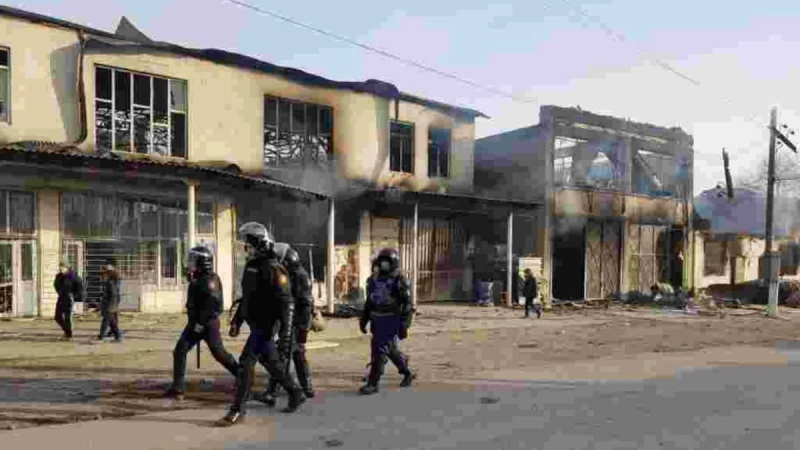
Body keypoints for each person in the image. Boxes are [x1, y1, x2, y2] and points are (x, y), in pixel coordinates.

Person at [219, 222, 306, 426]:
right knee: (272, 364)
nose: (246, 249)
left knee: (246, 363)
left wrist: (285, 335)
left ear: (260, 245)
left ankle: (237, 409)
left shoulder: (275, 269)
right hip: (255, 323)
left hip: (266, 326)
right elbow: (247, 298)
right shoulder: (252, 266)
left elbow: (287, 304)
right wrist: (237, 321)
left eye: (249, 245)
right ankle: (295, 392)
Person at [164, 246, 239, 400]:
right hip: (195, 323)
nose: (190, 263)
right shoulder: (199, 278)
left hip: (206, 325)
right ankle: (178, 388)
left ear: (202, 262)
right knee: (180, 350)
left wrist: (200, 324)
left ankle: (242, 375)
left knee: (219, 354)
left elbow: (215, 307)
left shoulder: (210, 280)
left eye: (193, 260)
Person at [256, 244, 316, 406]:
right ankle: (307, 387)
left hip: (296, 322)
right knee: (296, 353)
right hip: (290, 321)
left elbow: (306, 304)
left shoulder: (300, 277)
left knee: (282, 356)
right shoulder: (291, 274)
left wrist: (303, 328)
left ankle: (272, 392)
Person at [358, 248, 416, 395]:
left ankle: (373, 383)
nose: (384, 265)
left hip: (391, 319)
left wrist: (404, 324)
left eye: (387, 262)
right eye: (382, 261)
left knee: (379, 350)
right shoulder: (373, 280)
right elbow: (369, 302)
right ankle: (406, 371)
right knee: (389, 350)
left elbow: (408, 304)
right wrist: (363, 320)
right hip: (376, 319)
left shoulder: (399, 280)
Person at [54, 261, 84, 341]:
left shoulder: (73, 276)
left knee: (68, 317)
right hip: (61, 298)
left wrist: (74, 296)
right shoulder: (59, 276)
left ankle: (69, 335)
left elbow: (79, 287)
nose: (61, 268)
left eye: (63, 267)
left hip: (69, 298)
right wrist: (60, 292)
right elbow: (56, 285)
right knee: (57, 317)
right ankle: (67, 331)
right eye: (60, 267)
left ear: (67, 268)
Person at [97, 263, 122, 342]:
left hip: (110, 304)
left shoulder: (111, 282)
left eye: (104, 274)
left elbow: (113, 295)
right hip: (110, 304)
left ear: (109, 273)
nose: (103, 276)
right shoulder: (111, 281)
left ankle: (101, 336)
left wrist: (111, 306)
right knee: (112, 322)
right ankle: (117, 336)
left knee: (106, 320)